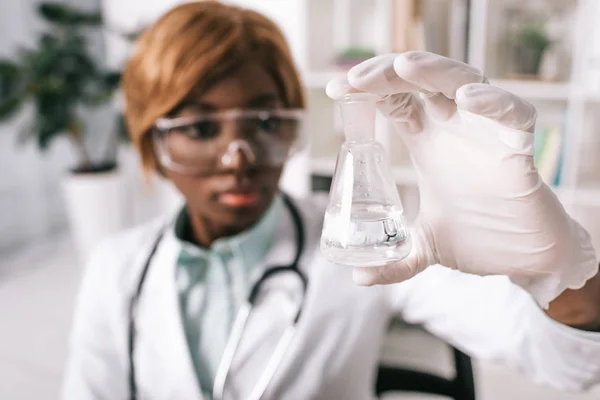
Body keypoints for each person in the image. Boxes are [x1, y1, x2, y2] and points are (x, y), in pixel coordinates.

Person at [62, 2, 600, 399]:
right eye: (201, 127)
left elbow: (570, 366)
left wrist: (560, 277)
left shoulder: (365, 247)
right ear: (151, 140)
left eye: (267, 121)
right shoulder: (117, 268)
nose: (238, 158)